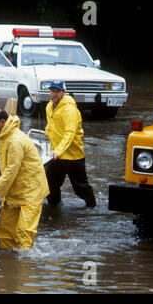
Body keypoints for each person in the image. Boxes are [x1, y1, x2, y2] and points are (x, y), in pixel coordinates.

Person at [0, 109, 49, 250]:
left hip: (31, 191)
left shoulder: (15, 141)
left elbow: (11, 171)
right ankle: (7, 264)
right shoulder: (3, 136)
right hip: (15, 190)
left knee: (24, 232)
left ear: (2, 122)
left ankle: (23, 266)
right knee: (5, 233)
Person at [44, 80, 97, 208]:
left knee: (80, 187)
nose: (54, 94)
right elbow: (51, 124)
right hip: (56, 156)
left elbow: (69, 133)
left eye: (57, 91)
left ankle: (92, 207)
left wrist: (58, 151)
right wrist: (47, 131)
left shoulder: (69, 110)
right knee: (50, 185)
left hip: (73, 156)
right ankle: (55, 207)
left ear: (63, 92)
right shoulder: (49, 106)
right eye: (52, 91)